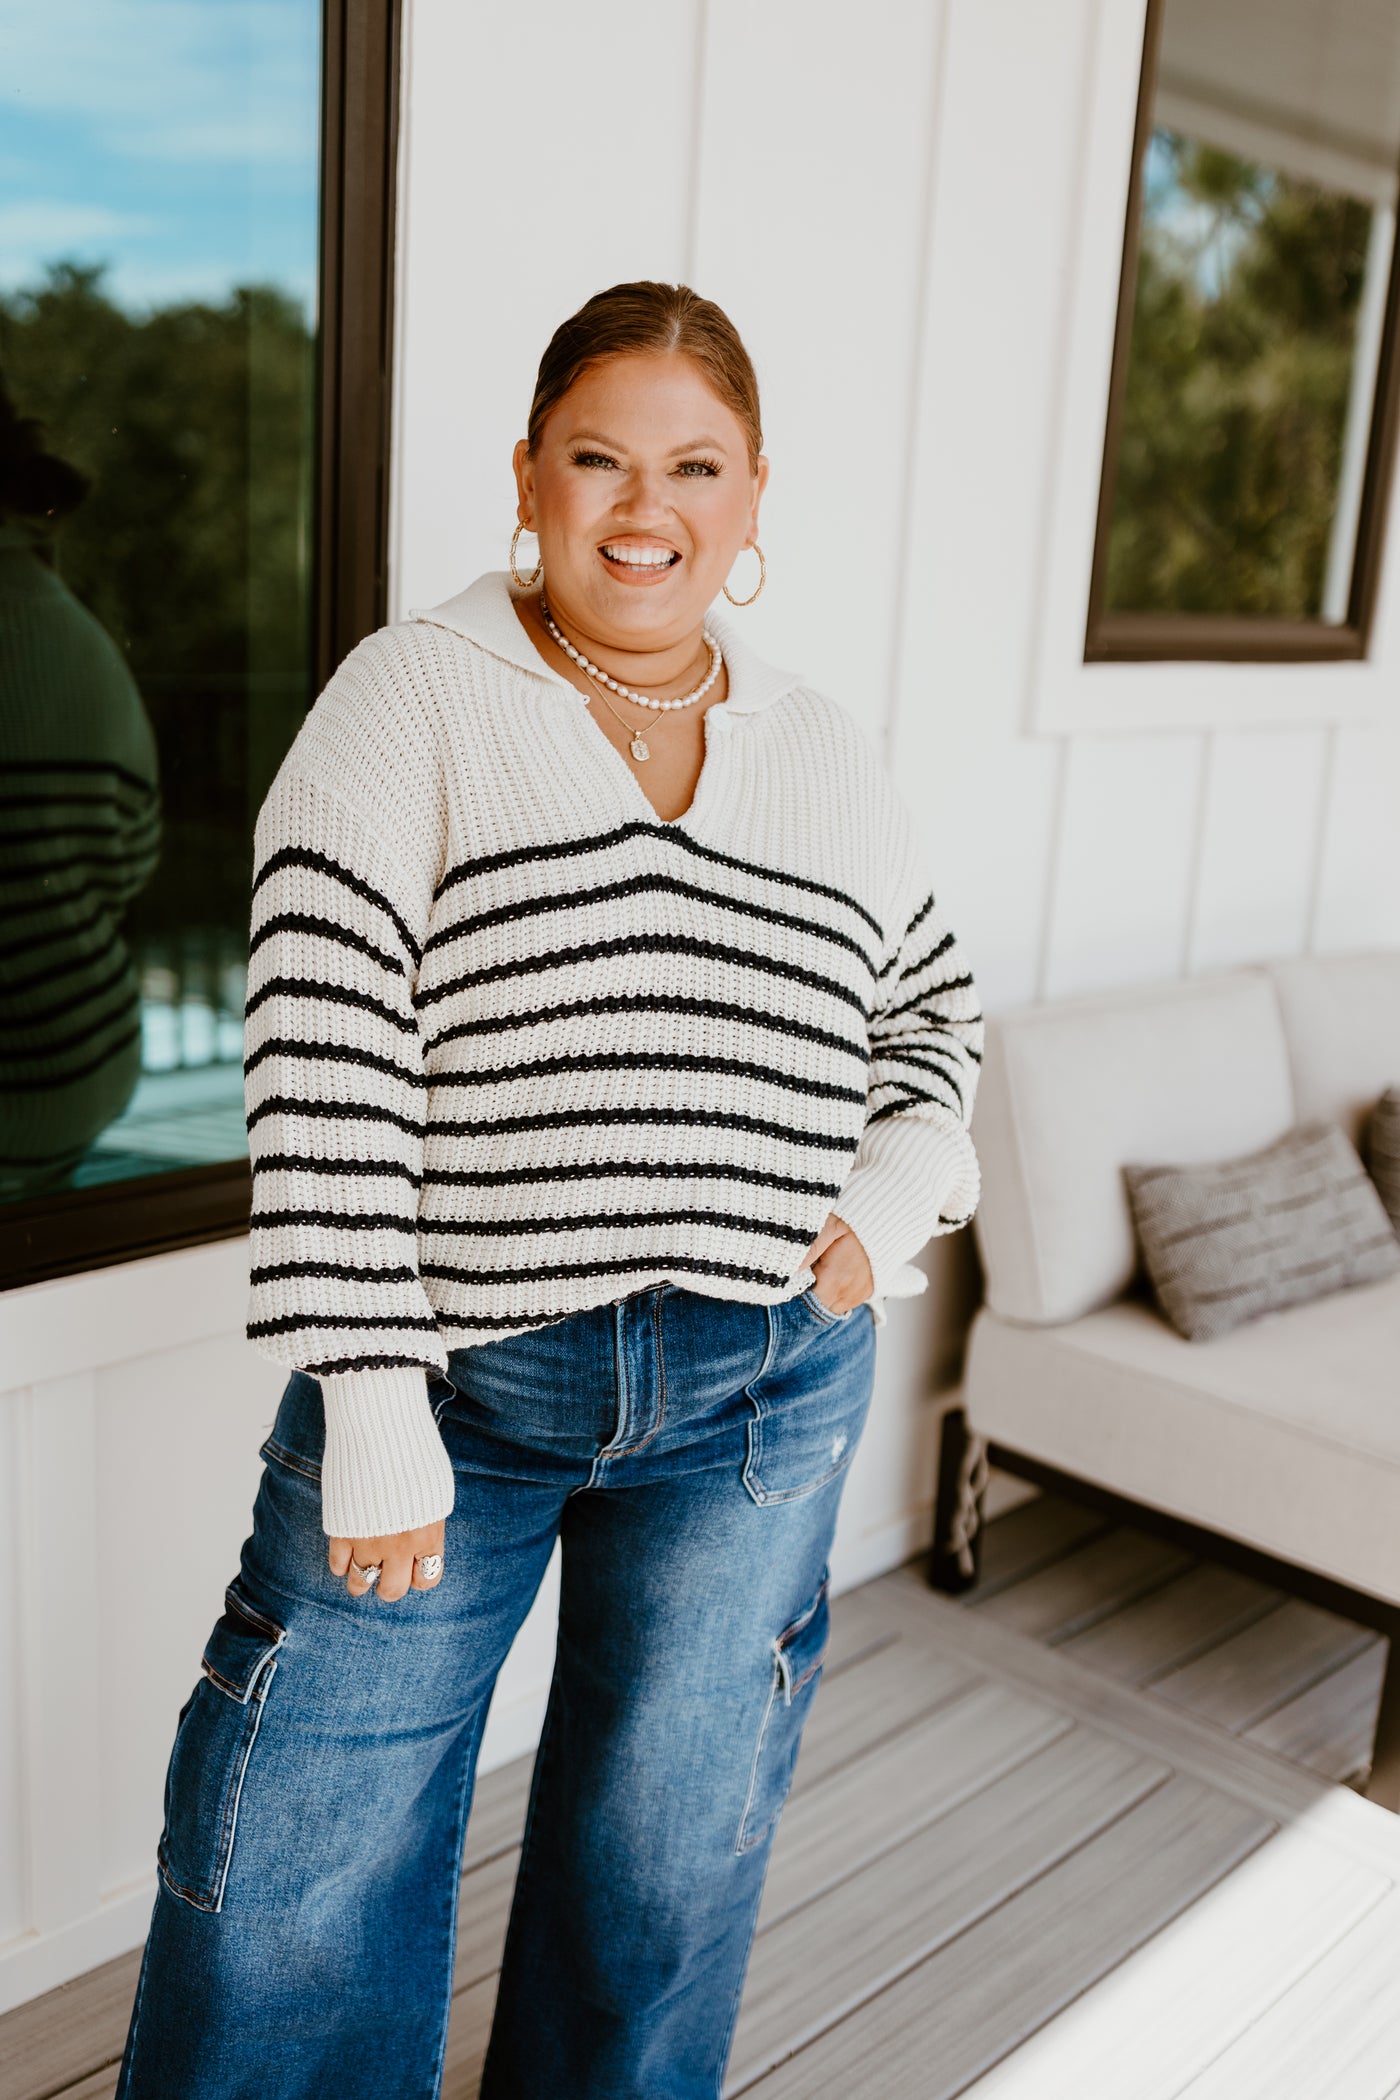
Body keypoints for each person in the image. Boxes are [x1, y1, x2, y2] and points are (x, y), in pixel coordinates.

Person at [116, 281, 983, 2099]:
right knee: (296, 1885)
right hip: (453, 1395)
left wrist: (893, 1191)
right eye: (597, 457)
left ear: (752, 502)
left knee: (658, 1883)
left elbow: (931, 1017)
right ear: (527, 475)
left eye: (693, 466)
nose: (641, 506)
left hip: (760, 1393)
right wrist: (365, 1394)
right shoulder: (412, 700)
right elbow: (324, 1062)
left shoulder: (827, 752)